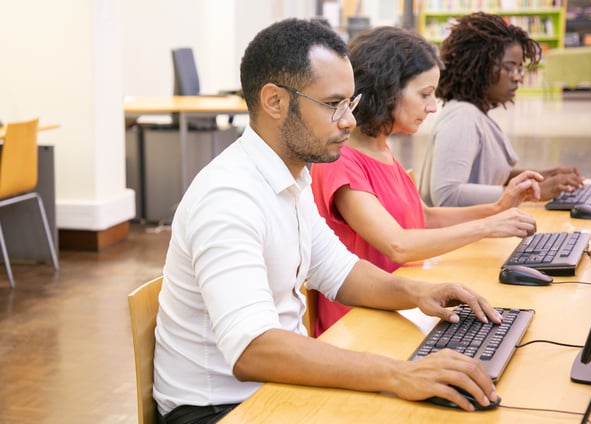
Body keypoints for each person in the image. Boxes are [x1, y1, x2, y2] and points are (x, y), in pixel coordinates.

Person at [153, 18, 503, 423]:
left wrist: (419, 293)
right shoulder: (229, 199)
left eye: (350, 104)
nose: (350, 121)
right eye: (334, 104)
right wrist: (398, 374)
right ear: (275, 102)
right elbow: (253, 349)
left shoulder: (293, 175)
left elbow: (340, 272)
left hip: (272, 388)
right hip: (218, 409)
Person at [310, 26, 541, 337]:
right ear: (387, 89)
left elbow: (425, 217)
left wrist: (497, 208)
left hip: (402, 304)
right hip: (359, 323)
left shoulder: (380, 148)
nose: (432, 107)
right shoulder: (341, 161)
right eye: (424, 94)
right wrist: (487, 227)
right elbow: (398, 245)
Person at [419, 12, 584, 208]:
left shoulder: (474, 113)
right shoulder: (461, 118)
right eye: (510, 67)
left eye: (519, 69)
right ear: (479, 66)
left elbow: (488, 178)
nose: (517, 77)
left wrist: (542, 177)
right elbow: (447, 195)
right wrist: (525, 192)